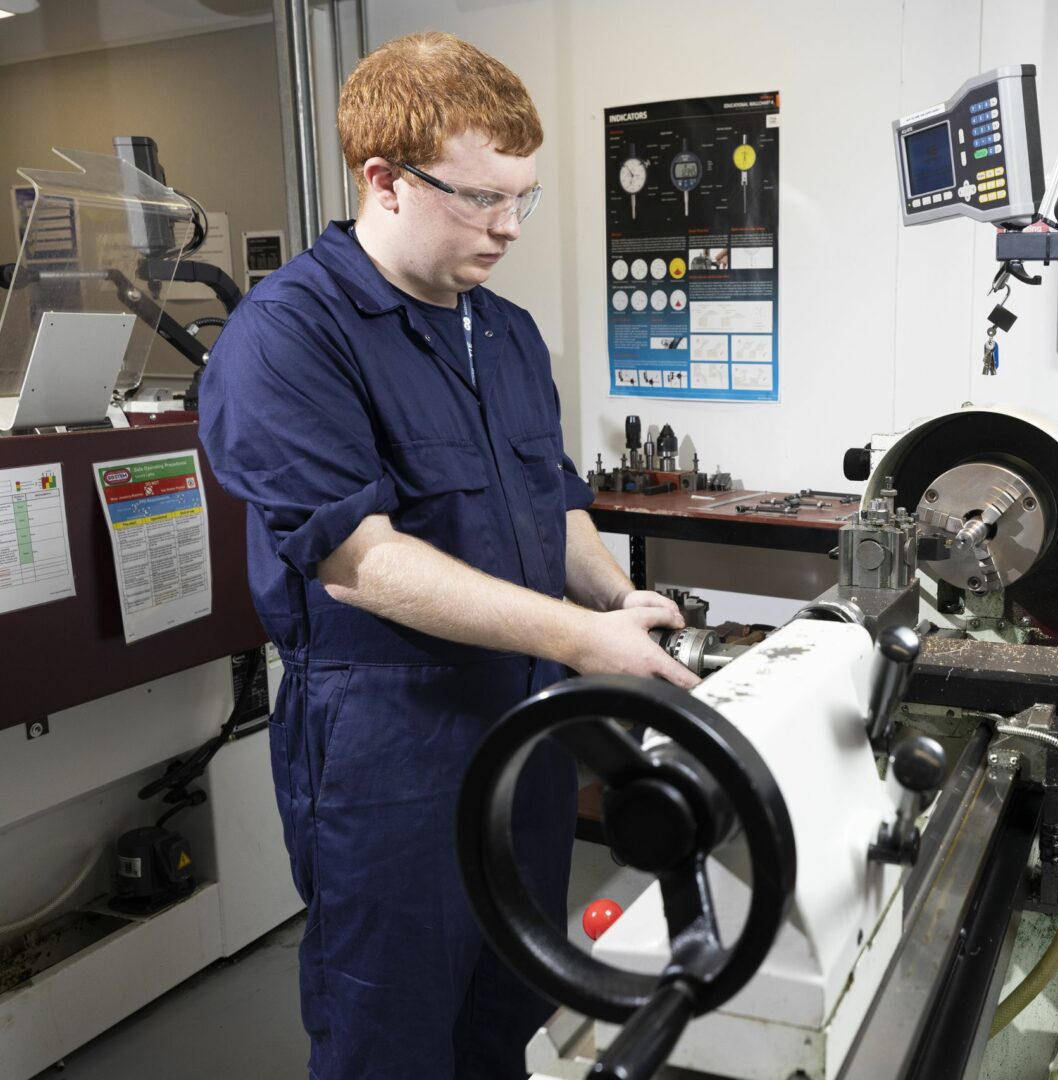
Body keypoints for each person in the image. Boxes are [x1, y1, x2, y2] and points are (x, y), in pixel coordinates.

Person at [198, 31, 697, 1080]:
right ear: (383, 180)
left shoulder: (506, 331)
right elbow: (360, 561)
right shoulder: (290, 334)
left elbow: (552, 505)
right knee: (393, 1028)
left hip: (529, 726)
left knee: (507, 1004)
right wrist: (580, 636)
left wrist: (624, 600)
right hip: (388, 743)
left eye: (524, 197)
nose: (509, 226)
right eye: (481, 199)